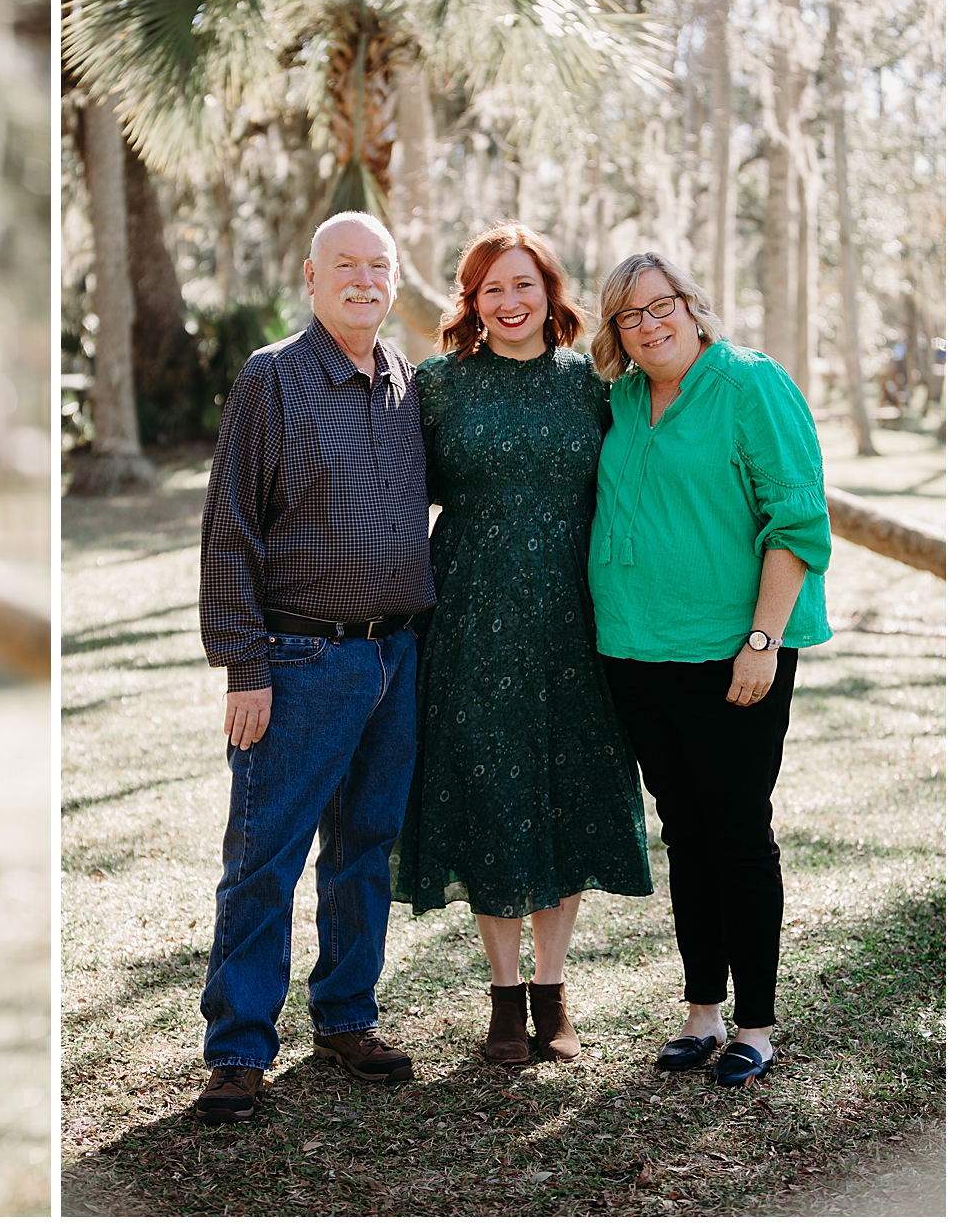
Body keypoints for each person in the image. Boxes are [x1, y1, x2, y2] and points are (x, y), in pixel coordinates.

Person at [193, 211, 434, 1123]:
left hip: (394, 655)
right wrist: (243, 666)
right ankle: (240, 1049)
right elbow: (230, 531)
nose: (365, 279)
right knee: (265, 859)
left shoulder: (407, 383)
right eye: (347, 264)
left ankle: (345, 1015)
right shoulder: (273, 380)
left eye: (379, 265)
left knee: (364, 849)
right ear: (311, 275)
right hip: (297, 661)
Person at [392, 224, 652, 1065]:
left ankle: (554, 990)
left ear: (550, 293)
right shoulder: (438, 386)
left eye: (523, 286)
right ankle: (505, 997)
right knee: (491, 795)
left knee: (564, 793)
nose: (508, 302)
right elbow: (401, 499)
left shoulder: (594, 386)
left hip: (578, 621)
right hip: (469, 616)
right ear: (471, 302)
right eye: (490, 289)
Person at [589, 252, 831, 1088]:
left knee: (736, 834)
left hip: (733, 658)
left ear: (693, 307)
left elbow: (796, 521)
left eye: (662, 307)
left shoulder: (749, 384)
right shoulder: (620, 400)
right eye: (631, 316)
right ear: (616, 333)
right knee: (683, 833)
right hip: (635, 653)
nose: (651, 325)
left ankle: (756, 1027)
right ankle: (702, 1013)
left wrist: (763, 642)